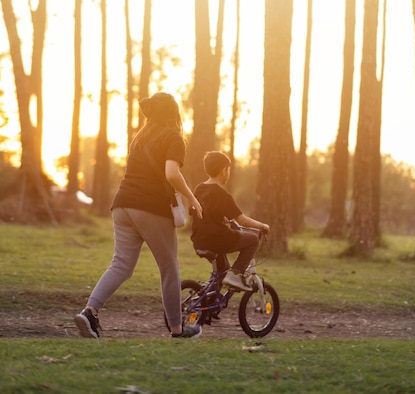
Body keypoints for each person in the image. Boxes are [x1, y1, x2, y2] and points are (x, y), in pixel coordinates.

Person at [74, 92, 203, 339]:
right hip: (150, 208)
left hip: (122, 205)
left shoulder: (140, 138)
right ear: (174, 113)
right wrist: (192, 198)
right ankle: (177, 329)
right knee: (169, 268)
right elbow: (172, 174)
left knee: (121, 264)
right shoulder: (173, 137)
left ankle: (90, 312)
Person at [190, 151, 270, 292]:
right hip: (218, 240)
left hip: (199, 240)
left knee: (222, 270)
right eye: (228, 170)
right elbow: (242, 220)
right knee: (252, 240)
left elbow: (201, 211)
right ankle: (236, 275)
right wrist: (262, 226)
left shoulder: (199, 189)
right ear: (223, 171)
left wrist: (222, 218)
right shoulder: (222, 195)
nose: (228, 173)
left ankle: (208, 303)